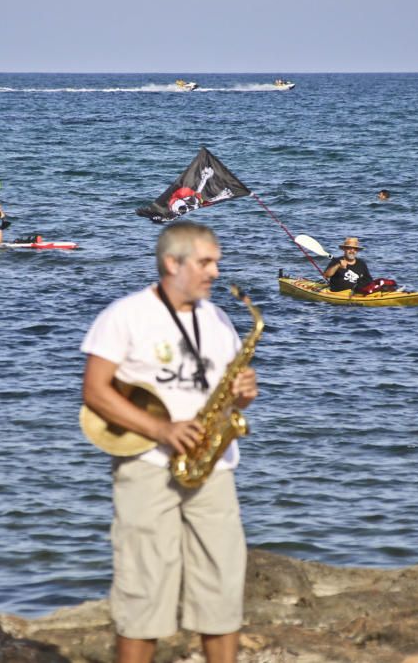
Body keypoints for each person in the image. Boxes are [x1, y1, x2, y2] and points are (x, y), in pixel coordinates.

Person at [80, 221, 258, 663]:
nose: (215, 271)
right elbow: (95, 392)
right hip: (147, 465)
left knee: (222, 591)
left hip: (212, 469)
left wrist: (243, 394)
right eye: (205, 262)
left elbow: (224, 395)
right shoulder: (125, 315)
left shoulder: (217, 319)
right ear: (172, 263)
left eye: (216, 261)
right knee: (144, 593)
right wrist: (162, 430)